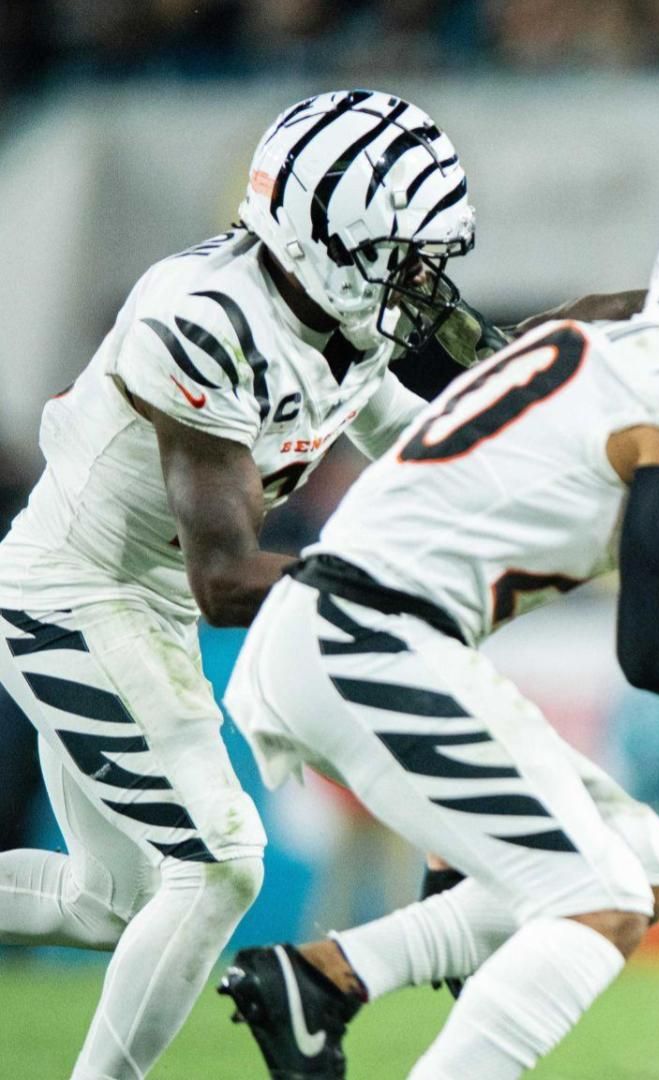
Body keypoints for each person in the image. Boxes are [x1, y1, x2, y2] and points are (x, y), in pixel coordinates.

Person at [215, 183, 659, 1080]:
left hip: (363, 631)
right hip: (368, 635)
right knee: (596, 896)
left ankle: (328, 978)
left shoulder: (606, 347)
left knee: (643, 868)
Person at [0, 89, 477, 1080]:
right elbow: (225, 579)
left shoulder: (329, 313)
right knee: (219, 868)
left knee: (110, 903)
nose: (423, 279)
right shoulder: (206, 322)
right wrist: (397, 591)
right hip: (76, 593)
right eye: (403, 253)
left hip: (146, 605)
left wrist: (535, 424)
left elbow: (406, 434)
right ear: (326, 242)